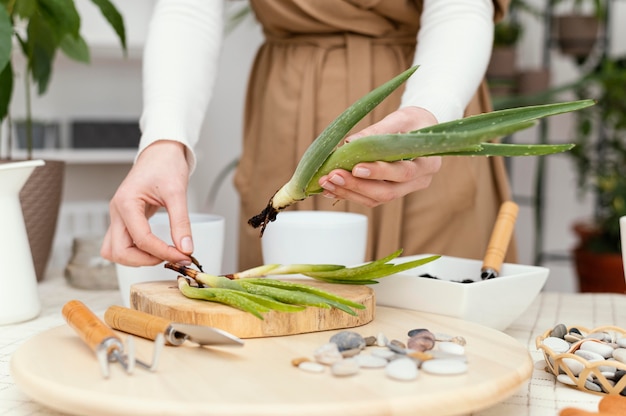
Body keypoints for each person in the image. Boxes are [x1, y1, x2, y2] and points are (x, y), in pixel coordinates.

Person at [101, 0, 518, 270]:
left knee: (439, 337)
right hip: (288, 118)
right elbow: (189, 8)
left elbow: (460, 7)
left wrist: (431, 116)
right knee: (282, 328)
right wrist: (164, 140)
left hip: (429, 94)